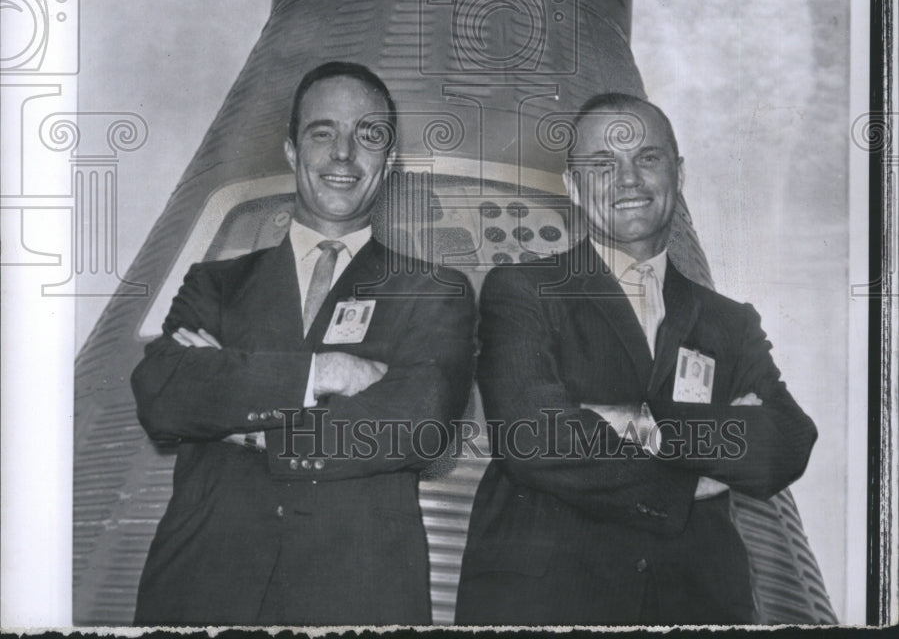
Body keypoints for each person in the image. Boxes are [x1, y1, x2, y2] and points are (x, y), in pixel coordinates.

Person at [132, 61, 476, 626]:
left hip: (356, 596)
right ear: (292, 151)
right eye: (323, 132)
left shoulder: (434, 291)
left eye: (368, 136)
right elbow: (165, 398)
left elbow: (419, 426)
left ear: (389, 161)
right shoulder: (215, 283)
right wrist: (325, 373)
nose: (344, 154)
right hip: (203, 589)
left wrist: (243, 419)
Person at [455, 92, 817, 626]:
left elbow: (788, 439)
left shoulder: (728, 321)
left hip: (696, 606)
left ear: (679, 173)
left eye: (646, 157)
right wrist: (697, 468)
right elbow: (533, 435)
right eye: (603, 164)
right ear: (573, 188)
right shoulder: (523, 290)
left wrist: (649, 429)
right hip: (551, 604)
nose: (627, 179)